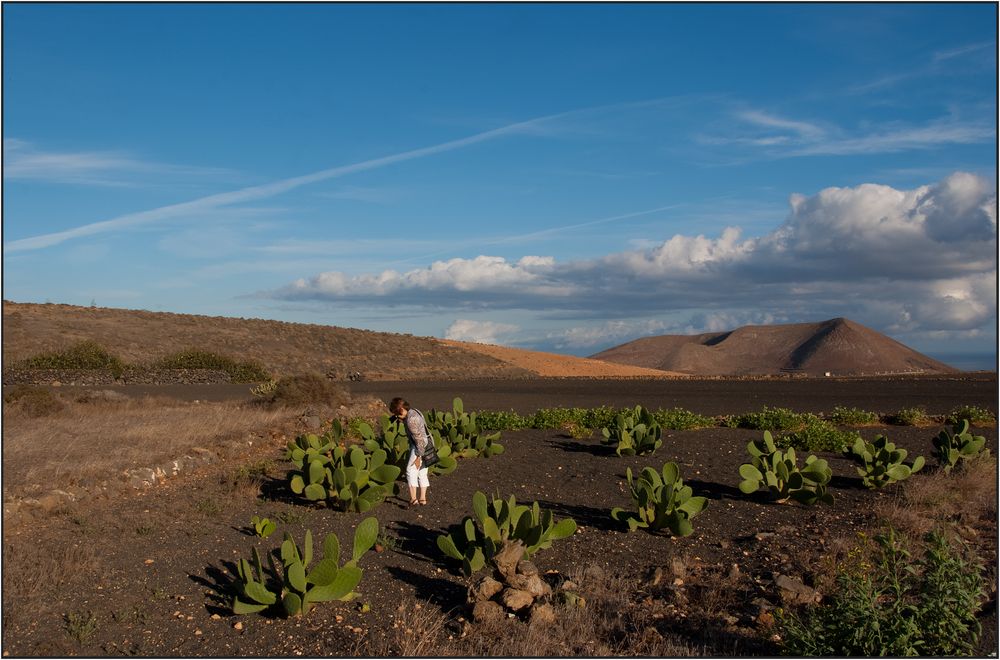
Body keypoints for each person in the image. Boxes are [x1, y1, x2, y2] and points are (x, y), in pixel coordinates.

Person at [389, 397, 430, 507]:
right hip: (427, 442)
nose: (397, 416)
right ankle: (423, 499)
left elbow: (418, 439)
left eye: (397, 414)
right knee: (422, 471)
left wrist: (418, 457)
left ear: (401, 409)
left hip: (419, 446)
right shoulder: (414, 411)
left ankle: (413, 499)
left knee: (410, 470)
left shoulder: (411, 420)